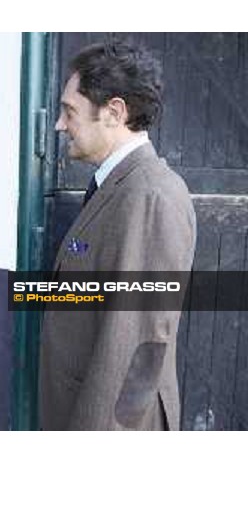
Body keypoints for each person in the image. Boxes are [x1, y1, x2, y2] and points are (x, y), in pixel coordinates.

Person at [39, 40, 197, 431]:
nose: (60, 125)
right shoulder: (118, 186)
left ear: (114, 112)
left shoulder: (151, 198)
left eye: (69, 111)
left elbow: (134, 352)